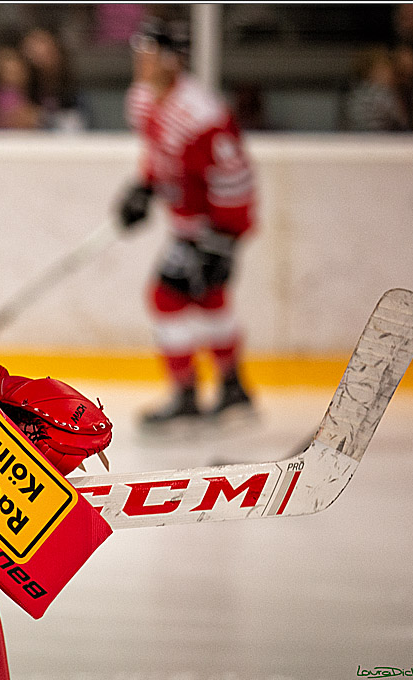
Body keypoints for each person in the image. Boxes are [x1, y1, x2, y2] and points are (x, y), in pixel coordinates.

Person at [117, 17, 257, 431]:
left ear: (173, 59)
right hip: (186, 225)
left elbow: (233, 174)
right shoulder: (142, 99)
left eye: (150, 54)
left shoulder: (202, 113)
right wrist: (145, 187)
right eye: (138, 53)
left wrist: (226, 238)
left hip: (211, 227)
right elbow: (159, 155)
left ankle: (186, 396)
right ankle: (233, 389)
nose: (141, 62)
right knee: (209, 299)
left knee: (165, 297)